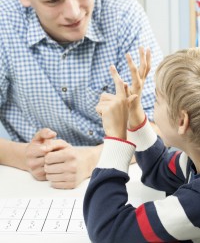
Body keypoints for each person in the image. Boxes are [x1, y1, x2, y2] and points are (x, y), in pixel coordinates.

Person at [0, 0, 163, 189]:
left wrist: (93, 158)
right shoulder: (4, 21)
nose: (73, 13)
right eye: (53, 1)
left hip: (123, 175)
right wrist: (22, 156)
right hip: (31, 184)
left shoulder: (124, 16)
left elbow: (159, 128)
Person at [83, 47, 200, 242]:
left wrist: (115, 138)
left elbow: (109, 231)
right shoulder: (193, 159)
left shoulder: (195, 202)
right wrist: (134, 113)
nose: (152, 104)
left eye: (156, 99)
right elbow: (159, 169)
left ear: (181, 121)